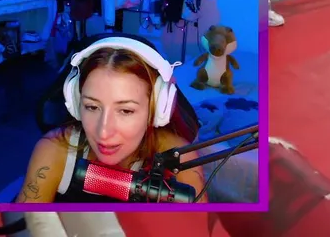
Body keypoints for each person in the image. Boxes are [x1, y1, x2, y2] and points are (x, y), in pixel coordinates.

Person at [14, 37, 206, 203]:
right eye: (92, 107)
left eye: (125, 111)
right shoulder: (54, 151)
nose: (103, 132)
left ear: (156, 110)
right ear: (76, 102)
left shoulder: (180, 160)